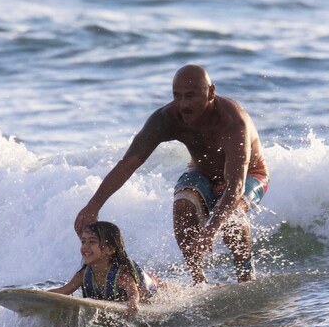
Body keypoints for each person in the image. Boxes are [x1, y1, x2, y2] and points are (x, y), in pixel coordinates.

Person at [74, 64, 269, 284]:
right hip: (202, 171)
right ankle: (199, 281)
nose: (183, 104)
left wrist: (212, 228)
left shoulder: (233, 122)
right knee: (183, 204)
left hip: (250, 175)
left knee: (232, 218)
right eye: (177, 96)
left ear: (211, 92)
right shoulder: (166, 118)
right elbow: (127, 164)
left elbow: (236, 186)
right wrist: (93, 205)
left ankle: (245, 279)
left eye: (191, 96)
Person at [49, 221, 159, 316]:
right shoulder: (83, 274)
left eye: (92, 242)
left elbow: (133, 294)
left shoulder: (122, 274)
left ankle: (158, 281)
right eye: (83, 242)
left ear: (110, 249)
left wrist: (133, 303)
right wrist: (36, 296)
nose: (85, 247)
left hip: (148, 289)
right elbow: (63, 291)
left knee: (155, 289)